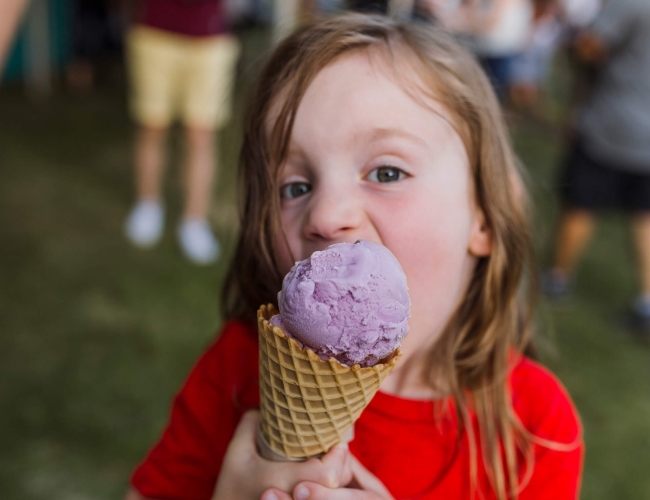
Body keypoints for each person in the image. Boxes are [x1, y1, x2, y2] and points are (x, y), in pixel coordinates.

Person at [124, 14, 583, 500]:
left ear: (487, 216)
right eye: (295, 187)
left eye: (386, 173)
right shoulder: (239, 367)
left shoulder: (536, 427)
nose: (325, 214)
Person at [543, 0, 650, 335]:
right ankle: (647, 302)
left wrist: (575, 42)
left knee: (581, 203)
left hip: (613, 124)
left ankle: (558, 279)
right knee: (644, 214)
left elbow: (590, 47)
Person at [124, 0, 240, 264]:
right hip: (154, 32)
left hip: (209, 38)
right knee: (152, 126)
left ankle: (194, 220)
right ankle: (148, 203)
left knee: (201, 135)